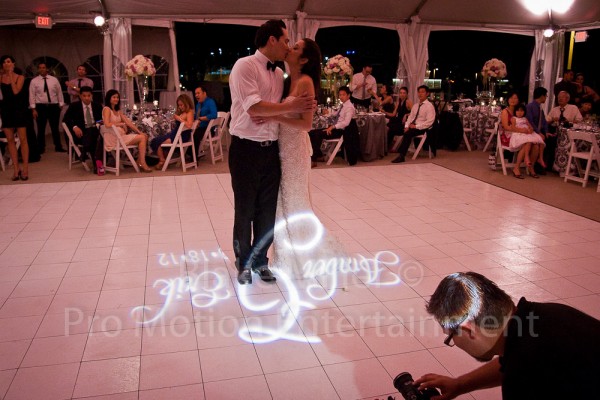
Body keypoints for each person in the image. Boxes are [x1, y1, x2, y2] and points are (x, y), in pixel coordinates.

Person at [415, 271, 600, 400]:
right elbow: (509, 359)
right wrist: (460, 385)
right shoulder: (546, 316)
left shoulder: (525, 377)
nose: (453, 341)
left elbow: (521, 366)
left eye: (450, 337)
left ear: (468, 330)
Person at [227, 19, 315, 285]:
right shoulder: (244, 65)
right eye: (286, 40)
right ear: (273, 39)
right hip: (245, 149)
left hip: (271, 151)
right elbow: (254, 108)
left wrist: (288, 109)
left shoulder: (279, 75)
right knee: (245, 209)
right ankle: (243, 263)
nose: (288, 45)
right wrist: (289, 107)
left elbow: (279, 110)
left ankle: (261, 261)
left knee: (267, 211)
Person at [257, 38, 349, 278]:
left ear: (305, 59)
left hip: (294, 151)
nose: (290, 48)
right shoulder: (287, 81)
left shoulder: (306, 82)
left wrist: (274, 117)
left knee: (295, 202)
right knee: (283, 201)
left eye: (296, 48)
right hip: (281, 148)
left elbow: (306, 125)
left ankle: (305, 253)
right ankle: (288, 252)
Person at [100, 89, 153, 173]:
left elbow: (128, 122)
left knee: (144, 136)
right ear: (109, 98)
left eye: (117, 97)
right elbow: (106, 124)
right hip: (113, 138)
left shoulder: (118, 111)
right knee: (142, 138)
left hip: (120, 136)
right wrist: (120, 124)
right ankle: (142, 162)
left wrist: (139, 132)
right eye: (114, 97)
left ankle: (140, 160)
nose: (116, 99)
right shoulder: (107, 109)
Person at [309, 86, 356, 167]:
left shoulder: (349, 107)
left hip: (340, 131)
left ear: (348, 95)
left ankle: (314, 160)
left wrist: (332, 127)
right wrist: (328, 112)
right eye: (340, 95)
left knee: (317, 134)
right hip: (335, 128)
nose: (341, 97)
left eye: (343, 95)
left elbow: (346, 122)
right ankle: (319, 155)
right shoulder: (343, 105)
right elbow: (336, 114)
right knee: (311, 132)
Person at [62, 86, 104, 175]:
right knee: (93, 138)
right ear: (80, 96)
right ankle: (96, 165)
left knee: (93, 133)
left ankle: (84, 152)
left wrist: (99, 123)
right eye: (84, 96)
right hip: (81, 134)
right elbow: (66, 120)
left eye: (89, 96)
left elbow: (101, 119)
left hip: (95, 131)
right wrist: (75, 127)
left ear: (91, 96)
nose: (87, 98)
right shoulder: (74, 106)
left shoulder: (97, 106)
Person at [0, 55, 30, 181]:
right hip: (6, 110)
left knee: (23, 140)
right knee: (10, 140)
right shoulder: (0, 77)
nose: (6, 64)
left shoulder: (20, 77)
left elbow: (16, 91)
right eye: (4, 62)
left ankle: (25, 169)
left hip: (19, 110)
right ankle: (16, 169)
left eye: (8, 62)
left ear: (13, 63)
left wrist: (11, 75)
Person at [29, 62, 67, 153]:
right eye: (40, 67)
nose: (42, 69)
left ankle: (58, 146)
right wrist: (33, 109)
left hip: (53, 106)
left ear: (47, 69)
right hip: (40, 107)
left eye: (44, 67)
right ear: (38, 69)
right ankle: (41, 147)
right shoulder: (34, 81)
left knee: (55, 127)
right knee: (41, 128)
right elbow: (32, 95)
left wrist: (61, 103)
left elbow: (59, 92)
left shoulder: (54, 80)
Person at [391, 85, 435, 163]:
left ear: (427, 94)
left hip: (423, 128)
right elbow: (411, 117)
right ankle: (395, 149)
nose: (420, 94)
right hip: (413, 126)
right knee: (396, 128)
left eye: (422, 92)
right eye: (419, 92)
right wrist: (407, 126)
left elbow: (429, 122)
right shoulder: (416, 105)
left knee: (408, 133)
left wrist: (415, 126)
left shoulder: (429, 106)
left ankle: (402, 155)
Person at [151, 94, 195, 170]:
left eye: (181, 105)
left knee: (157, 142)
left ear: (186, 103)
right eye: (179, 105)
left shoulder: (189, 112)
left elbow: (189, 125)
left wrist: (179, 118)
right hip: (176, 134)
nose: (180, 107)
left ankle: (162, 161)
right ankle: (163, 160)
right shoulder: (183, 112)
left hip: (181, 136)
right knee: (156, 140)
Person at [545, 91, 583, 172]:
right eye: (558, 97)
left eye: (562, 97)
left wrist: (568, 121)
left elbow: (579, 121)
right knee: (549, 140)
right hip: (556, 132)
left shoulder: (573, 108)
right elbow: (546, 121)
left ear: (567, 99)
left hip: (569, 133)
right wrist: (552, 119)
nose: (560, 99)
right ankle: (553, 166)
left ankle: (569, 167)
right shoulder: (554, 109)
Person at [508, 103, 545, 178]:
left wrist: (530, 130)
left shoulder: (525, 119)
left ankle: (532, 166)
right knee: (527, 143)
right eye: (518, 111)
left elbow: (530, 127)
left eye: (521, 111)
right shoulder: (514, 118)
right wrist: (523, 130)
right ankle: (518, 166)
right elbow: (513, 128)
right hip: (519, 135)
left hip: (527, 134)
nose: (520, 112)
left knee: (537, 145)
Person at [525, 87, 549, 175]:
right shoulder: (530, 107)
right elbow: (530, 121)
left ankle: (540, 164)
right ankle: (534, 166)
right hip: (531, 131)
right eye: (545, 96)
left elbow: (544, 121)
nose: (546, 98)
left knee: (549, 140)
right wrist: (538, 132)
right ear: (542, 96)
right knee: (538, 144)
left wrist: (546, 131)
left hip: (538, 131)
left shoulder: (540, 108)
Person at [384, 86, 412, 150]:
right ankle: (386, 146)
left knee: (390, 129)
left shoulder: (408, 102)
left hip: (404, 124)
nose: (402, 94)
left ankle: (386, 147)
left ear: (407, 94)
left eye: (404, 93)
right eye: (401, 93)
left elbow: (415, 112)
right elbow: (393, 114)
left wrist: (406, 115)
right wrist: (385, 112)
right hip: (398, 121)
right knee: (387, 127)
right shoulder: (398, 102)